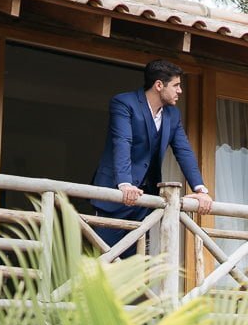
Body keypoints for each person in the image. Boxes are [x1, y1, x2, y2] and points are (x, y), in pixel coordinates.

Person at [91, 59, 213, 253]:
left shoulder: (173, 115)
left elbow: (184, 151)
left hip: (144, 201)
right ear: (158, 85)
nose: (179, 91)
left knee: (135, 267)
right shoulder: (124, 103)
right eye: (176, 85)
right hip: (114, 196)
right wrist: (125, 184)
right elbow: (122, 141)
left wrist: (200, 190)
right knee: (103, 263)